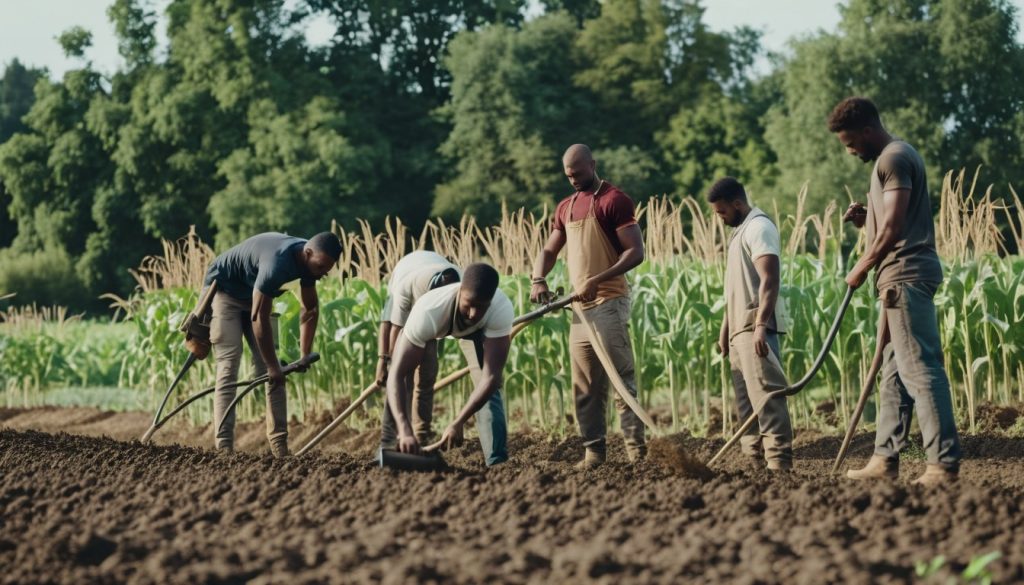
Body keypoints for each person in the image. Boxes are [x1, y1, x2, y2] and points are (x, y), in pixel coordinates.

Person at [828, 96, 961, 486]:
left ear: (868, 131)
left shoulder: (893, 158)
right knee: (893, 373)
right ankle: (885, 459)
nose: (851, 152)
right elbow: (885, 221)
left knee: (920, 369)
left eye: (851, 143)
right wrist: (864, 219)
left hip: (904, 275)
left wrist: (861, 266)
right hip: (897, 275)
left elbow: (895, 229)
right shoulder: (895, 159)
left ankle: (942, 464)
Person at [529, 144, 646, 469]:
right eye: (569, 176)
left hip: (609, 301)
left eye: (579, 174)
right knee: (585, 386)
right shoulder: (565, 208)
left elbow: (636, 252)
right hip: (579, 310)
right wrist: (538, 279)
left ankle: (638, 455)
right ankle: (594, 454)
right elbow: (550, 251)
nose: (574, 181)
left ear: (593, 165)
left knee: (621, 380)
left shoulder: (614, 201)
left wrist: (598, 278)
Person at [201, 231, 341, 457]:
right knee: (229, 365)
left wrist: (304, 353)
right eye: (320, 267)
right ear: (307, 253)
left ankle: (280, 449)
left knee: (274, 372)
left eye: (327, 269)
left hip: (254, 295)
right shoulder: (277, 263)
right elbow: (259, 318)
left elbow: (310, 309)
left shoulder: (310, 265)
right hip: (226, 293)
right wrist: (273, 367)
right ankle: (224, 448)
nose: (323, 274)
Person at [387, 262, 512, 466]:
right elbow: (397, 374)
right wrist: (404, 429)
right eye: (468, 304)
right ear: (460, 290)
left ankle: (497, 462)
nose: (473, 313)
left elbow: (491, 377)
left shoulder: (501, 308)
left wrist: (459, 421)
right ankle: (404, 438)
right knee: (411, 374)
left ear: (490, 302)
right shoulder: (428, 310)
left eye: (481, 307)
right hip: (437, 321)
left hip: (480, 333)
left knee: (489, 386)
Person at [708, 177, 794, 471]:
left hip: (755, 329)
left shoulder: (759, 227)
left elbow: (769, 280)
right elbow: (738, 286)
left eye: (722, 212)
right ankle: (755, 465)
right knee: (747, 406)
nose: (720, 218)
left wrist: (760, 325)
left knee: (767, 398)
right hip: (738, 331)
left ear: (737, 204)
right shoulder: (740, 231)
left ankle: (778, 464)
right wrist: (725, 331)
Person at [376, 250, 460, 449]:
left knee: (427, 373)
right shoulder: (405, 288)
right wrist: (385, 362)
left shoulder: (461, 284)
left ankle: (421, 434)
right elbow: (390, 325)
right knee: (399, 375)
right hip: (406, 273)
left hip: (432, 307)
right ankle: (390, 439)